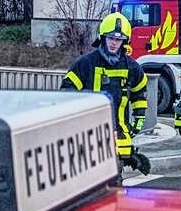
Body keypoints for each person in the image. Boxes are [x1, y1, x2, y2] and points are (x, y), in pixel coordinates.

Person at [62, 12, 150, 174]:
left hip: (119, 132)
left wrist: (139, 116)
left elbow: (140, 91)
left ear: (124, 41)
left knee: (114, 181)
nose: (114, 43)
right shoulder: (85, 64)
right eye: (111, 38)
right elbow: (67, 93)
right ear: (103, 37)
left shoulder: (132, 67)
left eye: (118, 40)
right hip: (88, 132)